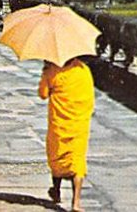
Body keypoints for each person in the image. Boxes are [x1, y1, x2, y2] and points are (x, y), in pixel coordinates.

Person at [38, 57, 95, 212]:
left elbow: (42, 94)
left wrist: (45, 72)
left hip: (59, 123)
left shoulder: (52, 72)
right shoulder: (83, 70)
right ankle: (76, 203)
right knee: (76, 161)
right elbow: (89, 96)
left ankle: (56, 191)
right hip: (79, 123)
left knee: (57, 156)